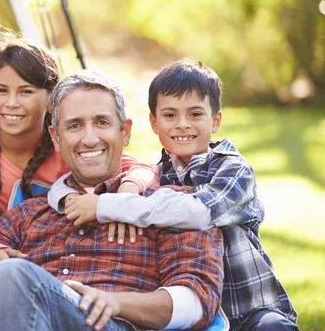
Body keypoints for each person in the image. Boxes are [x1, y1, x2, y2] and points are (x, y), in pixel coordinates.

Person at [0, 70, 225, 331]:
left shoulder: (170, 206)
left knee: (11, 274)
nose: (89, 138)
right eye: (74, 126)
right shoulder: (30, 214)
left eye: (102, 123)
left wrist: (114, 303)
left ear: (125, 132)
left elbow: (197, 299)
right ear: (56, 138)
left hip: (106, 323)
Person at [49, 60, 298, 331]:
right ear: (154, 123)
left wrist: (109, 205)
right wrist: (65, 198)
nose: (182, 125)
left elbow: (198, 212)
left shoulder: (234, 170)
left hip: (249, 308)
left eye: (194, 114)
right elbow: (103, 177)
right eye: (170, 116)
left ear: (215, 120)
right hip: (198, 312)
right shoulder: (157, 173)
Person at [0, 35, 156, 270]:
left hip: (68, 251)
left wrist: (128, 189)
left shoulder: (67, 142)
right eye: (1, 90)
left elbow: (141, 168)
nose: (12, 102)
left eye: (25, 91)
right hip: (14, 254)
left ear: (51, 101)